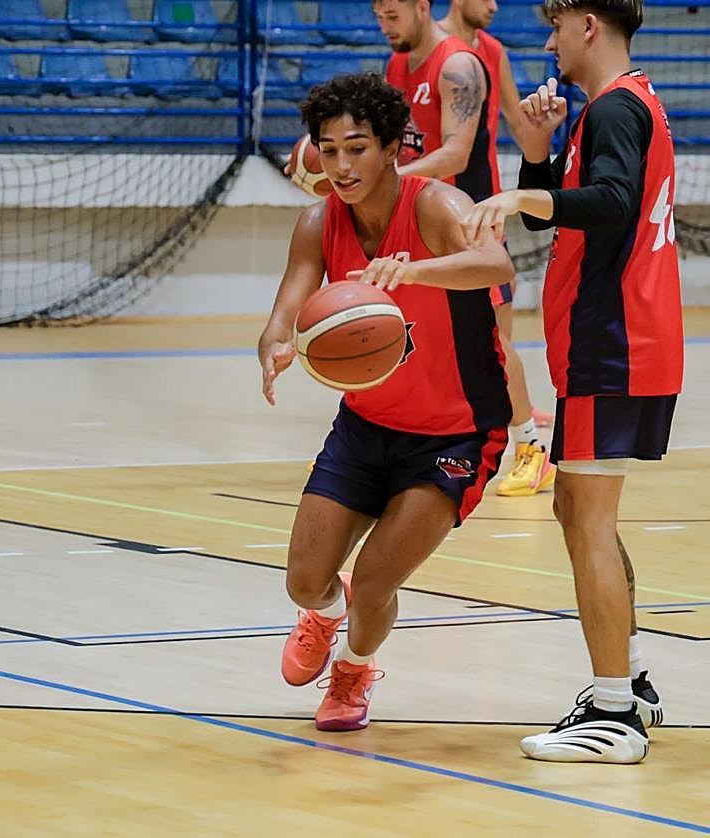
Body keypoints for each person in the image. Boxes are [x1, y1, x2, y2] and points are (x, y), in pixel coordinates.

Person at [259, 72, 514, 732]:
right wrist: (276, 343)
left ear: (392, 147)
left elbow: (496, 264)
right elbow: (287, 305)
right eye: (329, 149)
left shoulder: (435, 206)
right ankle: (324, 609)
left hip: (456, 433)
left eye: (356, 147)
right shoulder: (317, 220)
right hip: (365, 424)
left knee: (375, 581)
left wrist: (417, 269)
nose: (340, 165)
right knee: (301, 581)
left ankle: (352, 672)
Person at [464, 0, 682, 762]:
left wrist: (525, 192)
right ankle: (628, 683)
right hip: (615, 345)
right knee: (577, 508)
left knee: (585, 519)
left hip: (614, 344)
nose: (548, 42)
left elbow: (613, 203)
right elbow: (574, 215)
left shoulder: (618, 109)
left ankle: (615, 713)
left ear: (588, 25)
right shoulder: (614, 109)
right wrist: (533, 155)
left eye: (556, 26)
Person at [374, 0, 555, 498]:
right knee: (398, 333)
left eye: (393, 15)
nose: (384, 26)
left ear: (421, 7)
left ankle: (531, 450)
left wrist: (376, 179)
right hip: (417, 217)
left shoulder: (459, 65)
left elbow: (455, 153)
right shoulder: (396, 65)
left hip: (470, 224)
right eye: (379, 17)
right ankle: (378, 445)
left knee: (494, 346)